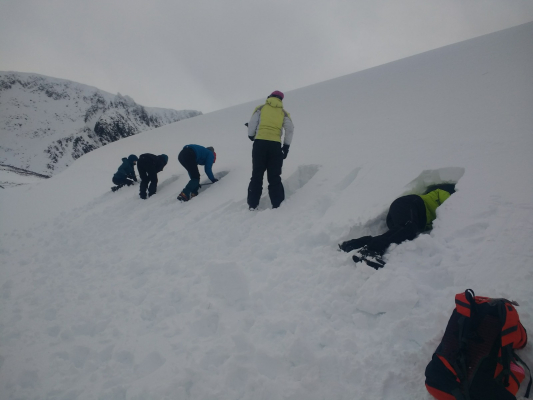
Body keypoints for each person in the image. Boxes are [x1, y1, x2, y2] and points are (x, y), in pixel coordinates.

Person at [339, 188, 452, 269]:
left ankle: (354, 244)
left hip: (403, 213)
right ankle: (371, 250)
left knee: (401, 233)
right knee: (408, 227)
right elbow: (451, 205)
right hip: (409, 204)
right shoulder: (442, 193)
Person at [246, 90, 294, 210]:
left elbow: (252, 123)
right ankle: (277, 205)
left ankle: (253, 204)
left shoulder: (261, 108)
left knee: (257, 174)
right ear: (281, 100)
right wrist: (286, 147)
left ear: (270, 96)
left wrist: (251, 135)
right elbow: (290, 129)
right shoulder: (284, 112)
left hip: (260, 144)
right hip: (275, 146)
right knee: (274, 176)